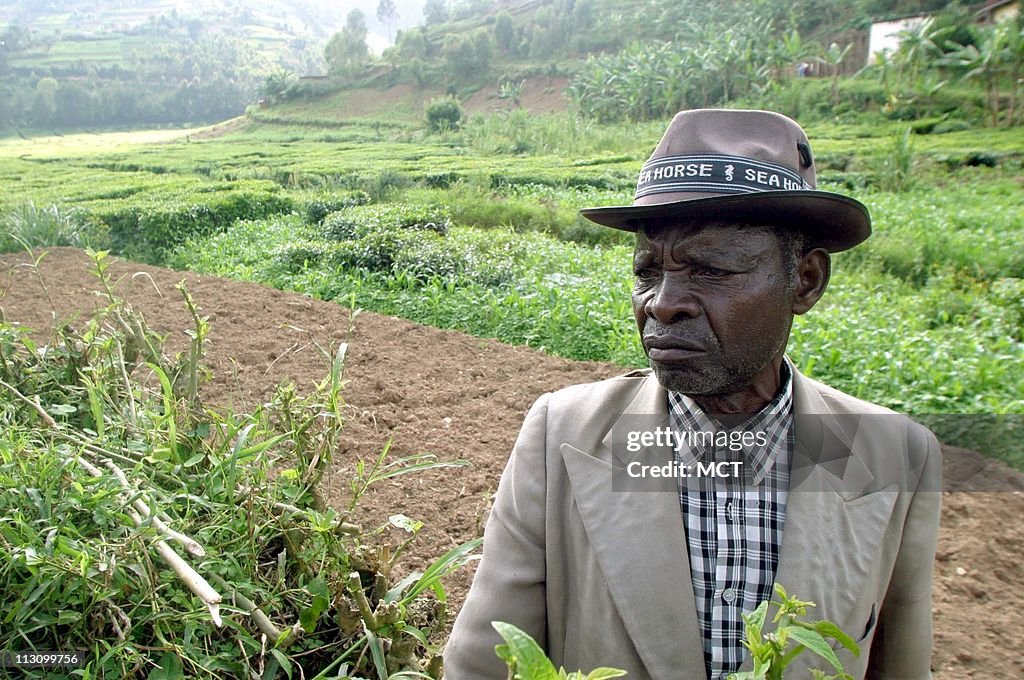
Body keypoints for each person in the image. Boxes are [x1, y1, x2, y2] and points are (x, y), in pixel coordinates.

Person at [444, 109, 941, 680]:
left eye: (709, 270)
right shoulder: (562, 436)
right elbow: (483, 662)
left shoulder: (894, 455)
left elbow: (900, 662)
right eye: (647, 271)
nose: (660, 302)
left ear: (804, 281)